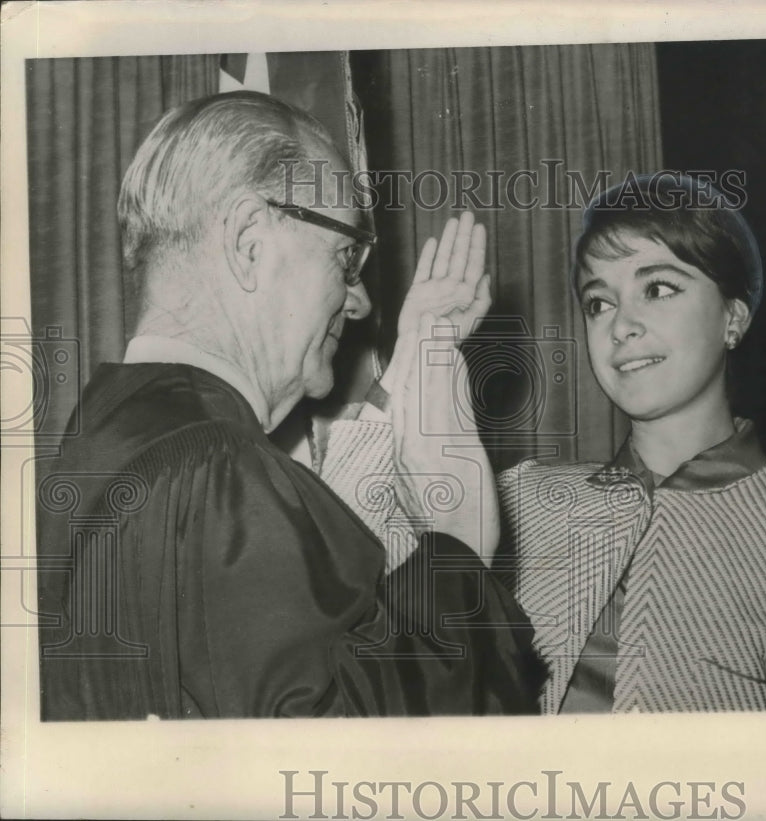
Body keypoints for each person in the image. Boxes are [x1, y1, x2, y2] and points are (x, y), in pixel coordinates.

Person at [35, 90, 542, 720]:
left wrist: (418, 356)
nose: (357, 303)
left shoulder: (95, 447)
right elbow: (335, 782)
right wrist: (458, 540)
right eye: (344, 255)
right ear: (250, 240)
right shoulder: (219, 475)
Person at [495, 173, 766, 713]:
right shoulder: (522, 499)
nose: (621, 326)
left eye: (658, 289)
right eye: (598, 302)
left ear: (732, 319)